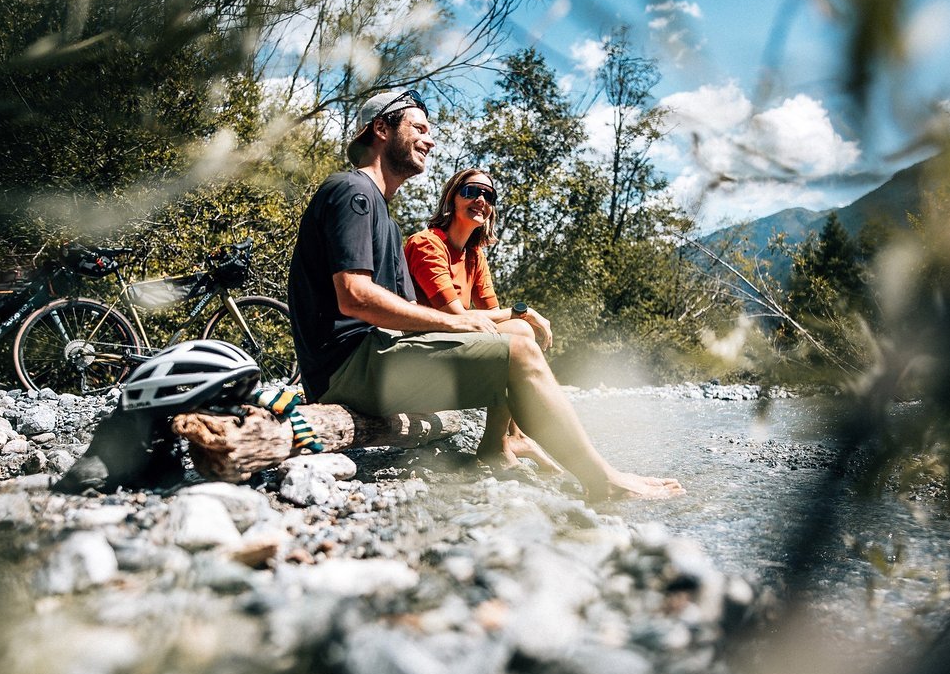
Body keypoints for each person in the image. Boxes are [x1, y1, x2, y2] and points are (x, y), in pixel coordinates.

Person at [287, 88, 683, 501]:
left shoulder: (381, 212)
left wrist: (487, 326)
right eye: (419, 128)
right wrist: (458, 322)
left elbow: (403, 310)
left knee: (517, 337)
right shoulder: (352, 192)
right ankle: (600, 480)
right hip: (349, 370)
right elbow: (354, 297)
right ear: (382, 128)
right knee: (520, 352)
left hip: (374, 358)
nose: (430, 139)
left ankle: (504, 448)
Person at [404, 167, 560, 473]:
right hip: (417, 356)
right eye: (471, 191)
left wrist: (519, 317)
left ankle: (513, 438)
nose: (480, 199)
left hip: (450, 346)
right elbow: (456, 317)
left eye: (488, 195)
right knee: (517, 328)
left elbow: (494, 319)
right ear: (452, 197)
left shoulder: (474, 255)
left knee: (517, 333)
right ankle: (494, 446)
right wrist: (522, 311)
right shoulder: (426, 244)